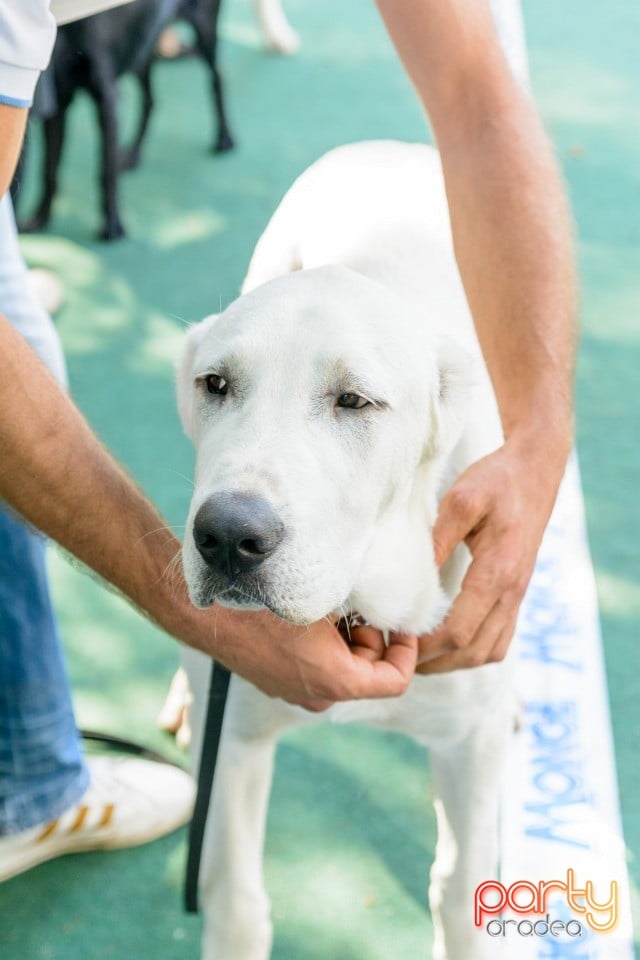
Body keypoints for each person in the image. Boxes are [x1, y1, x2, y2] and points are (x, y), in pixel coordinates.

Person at [0, 0, 575, 879]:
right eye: (218, 387)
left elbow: (474, 88)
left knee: (28, 345)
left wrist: (538, 440)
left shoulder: (453, 399)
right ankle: (34, 784)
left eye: (351, 400)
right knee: (23, 354)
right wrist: (194, 619)